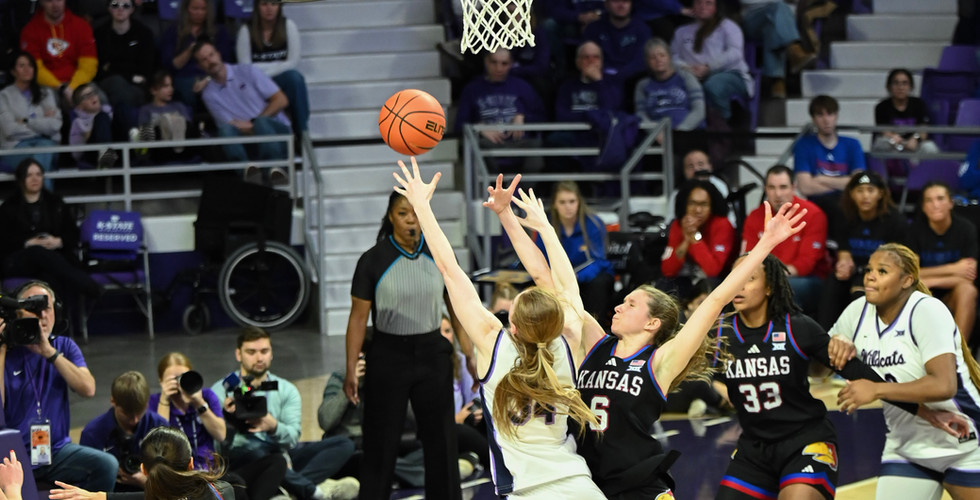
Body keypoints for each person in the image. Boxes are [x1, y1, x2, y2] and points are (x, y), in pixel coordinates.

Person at [482, 171, 807, 498]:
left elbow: (716, 300)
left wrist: (766, 244)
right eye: (622, 301)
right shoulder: (595, 344)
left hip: (640, 483)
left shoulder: (660, 362)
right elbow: (545, 279)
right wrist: (506, 215)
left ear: (652, 323)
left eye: (631, 303)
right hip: (588, 483)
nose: (619, 307)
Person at [394, 160, 604, 499]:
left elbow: (450, 271)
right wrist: (539, 226)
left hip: (525, 491)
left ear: (515, 327)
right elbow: (557, 282)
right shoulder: (569, 339)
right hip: (581, 485)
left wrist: (421, 207)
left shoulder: (494, 344)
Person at [715, 253, 963, 499]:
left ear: (769, 287)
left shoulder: (797, 327)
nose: (739, 285)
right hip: (754, 448)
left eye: (749, 278)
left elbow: (860, 373)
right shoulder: (720, 334)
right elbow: (691, 371)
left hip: (805, 442)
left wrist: (926, 413)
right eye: (735, 277)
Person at [828, 243, 980, 500]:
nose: (870, 276)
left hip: (965, 443)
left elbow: (944, 385)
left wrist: (875, 389)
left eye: (882, 271)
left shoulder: (926, 311)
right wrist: (833, 348)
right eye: (869, 269)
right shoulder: (857, 311)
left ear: (907, 280)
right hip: (906, 447)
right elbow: (818, 370)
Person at [343, 190, 465, 500]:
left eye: (416, 212)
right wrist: (351, 369)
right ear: (390, 217)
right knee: (380, 444)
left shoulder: (440, 253)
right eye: (402, 212)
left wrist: (470, 353)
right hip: (387, 355)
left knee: (442, 442)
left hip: (432, 354)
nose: (411, 218)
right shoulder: (372, 260)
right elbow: (358, 319)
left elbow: (457, 310)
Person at [211, 327, 357, 500]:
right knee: (259, 452)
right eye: (251, 352)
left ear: (271, 353)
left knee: (343, 444)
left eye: (264, 351)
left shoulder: (286, 389)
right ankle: (309, 489)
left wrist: (273, 427)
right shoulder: (220, 391)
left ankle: (286, 488)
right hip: (242, 459)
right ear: (238, 354)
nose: (259, 358)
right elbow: (216, 447)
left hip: (280, 455)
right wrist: (229, 421)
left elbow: (293, 437)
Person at [0, 280, 117, 491]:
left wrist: (50, 353)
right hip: (12, 455)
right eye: (33, 308)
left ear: (56, 312)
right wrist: (0, 349)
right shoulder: (7, 353)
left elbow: (88, 388)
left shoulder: (63, 346)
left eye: (47, 308)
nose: (42, 315)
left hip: (55, 451)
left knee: (106, 465)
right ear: (17, 313)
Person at [0, 159, 102, 304]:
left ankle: (58, 325)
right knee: (38, 252)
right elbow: (3, 240)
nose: (35, 179)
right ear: (21, 179)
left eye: (38, 174)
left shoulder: (55, 203)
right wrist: (27, 243)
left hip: (52, 259)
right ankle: (87, 284)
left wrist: (58, 241)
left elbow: (72, 234)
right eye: (29, 175)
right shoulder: (8, 207)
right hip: (18, 260)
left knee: (51, 277)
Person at [818, 171, 909, 329]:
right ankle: (823, 338)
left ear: (880, 194)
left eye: (870, 190)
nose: (865, 196)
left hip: (882, 273)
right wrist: (843, 265)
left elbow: (896, 263)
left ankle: (861, 343)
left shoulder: (895, 221)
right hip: (854, 270)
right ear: (852, 194)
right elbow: (844, 252)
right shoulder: (844, 216)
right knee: (832, 283)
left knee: (861, 291)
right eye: (860, 191)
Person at [193, 40, 291, 182]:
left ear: (218, 54)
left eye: (211, 55)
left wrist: (254, 123)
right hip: (249, 141)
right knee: (225, 131)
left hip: (277, 134)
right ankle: (247, 172)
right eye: (204, 59)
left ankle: (275, 169)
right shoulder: (208, 94)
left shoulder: (248, 71)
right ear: (200, 66)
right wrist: (253, 127)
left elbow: (281, 100)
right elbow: (230, 125)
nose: (210, 61)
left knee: (262, 122)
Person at [50, 426, 236, 500]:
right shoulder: (224, 491)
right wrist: (102, 497)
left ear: (144, 470)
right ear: (190, 464)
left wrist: (97, 496)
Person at [741, 164, 829, 314]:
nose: (778, 194)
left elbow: (805, 264)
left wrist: (771, 279)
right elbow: (746, 257)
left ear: (793, 187)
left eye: (783, 187)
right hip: (766, 278)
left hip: (808, 279)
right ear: (765, 189)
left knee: (783, 287)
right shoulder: (754, 216)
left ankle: (785, 335)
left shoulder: (812, 214)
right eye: (772, 188)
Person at [535, 180, 615, 327]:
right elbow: (541, 259)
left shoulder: (594, 223)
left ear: (579, 202)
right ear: (554, 204)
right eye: (562, 202)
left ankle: (597, 328)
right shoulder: (545, 225)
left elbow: (599, 261)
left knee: (599, 283)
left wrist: (574, 277)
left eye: (572, 201)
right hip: (558, 277)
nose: (568, 207)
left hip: (588, 277)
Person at [454, 48, 546, 172]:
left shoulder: (523, 87)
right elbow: (459, 126)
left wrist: (523, 117)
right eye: (494, 62)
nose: (499, 68)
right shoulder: (471, 89)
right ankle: (495, 187)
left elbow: (543, 117)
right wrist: (479, 128)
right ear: (486, 61)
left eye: (504, 64)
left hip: (519, 142)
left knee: (536, 148)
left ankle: (523, 190)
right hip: (486, 144)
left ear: (511, 64)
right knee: (475, 148)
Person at [907, 181, 978, 341]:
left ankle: (959, 354)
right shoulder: (913, 231)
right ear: (923, 207)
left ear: (951, 203)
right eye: (929, 200)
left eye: (940, 199)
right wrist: (954, 269)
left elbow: (969, 274)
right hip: (923, 293)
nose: (935, 205)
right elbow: (910, 273)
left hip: (952, 294)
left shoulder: (966, 229)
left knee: (968, 290)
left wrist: (930, 278)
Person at [79, 371, 169, 491]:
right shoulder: (93, 433)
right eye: (127, 414)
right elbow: (85, 486)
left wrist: (144, 481)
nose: (135, 420)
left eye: (139, 412)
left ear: (147, 403)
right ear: (113, 401)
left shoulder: (159, 426)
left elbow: (171, 481)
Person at [793, 94, 866, 231]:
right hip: (818, 203)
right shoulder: (804, 145)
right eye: (820, 115)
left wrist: (821, 179)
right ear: (814, 119)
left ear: (836, 116)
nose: (826, 120)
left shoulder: (852, 144)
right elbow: (805, 187)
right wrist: (844, 183)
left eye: (830, 114)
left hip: (848, 201)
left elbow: (858, 182)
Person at [670, 0, 752, 122]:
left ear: (716, 7)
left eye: (708, 3)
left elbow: (735, 53)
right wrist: (686, 68)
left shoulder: (728, 26)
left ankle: (725, 124)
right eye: (698, 3)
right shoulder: (681, 32)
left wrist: (709, 67)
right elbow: (673, 56)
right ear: (693, 6)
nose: (703, 7)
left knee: (713, 85)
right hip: (690, 75)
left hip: (728, 74)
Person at [235, 0, 310, 133]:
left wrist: (263, 71)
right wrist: (275, 66)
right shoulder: (246, 30)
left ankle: (301, 132)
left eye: (274, 4)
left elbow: (293, 62)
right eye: (264, 4)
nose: (269, 8)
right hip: (255, 83)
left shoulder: (288, 26)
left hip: (280, 80)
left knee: (295, 79)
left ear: (279, 6)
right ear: (257, 7)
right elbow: (245, 68)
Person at [660, 178, 735, 294]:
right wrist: (686, 240)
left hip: (719, 282)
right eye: (692, 203)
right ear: (684, 204)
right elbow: (668, 270)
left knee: (711, 283)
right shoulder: (678, 225)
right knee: (664, 285)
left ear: (711, 207)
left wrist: (695, 237)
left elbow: (713, 271)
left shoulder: (722, 224)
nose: (698, 210)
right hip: (687, 280)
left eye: (704, 204)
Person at [19, 0, 97, 105]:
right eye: (49, 1)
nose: (55, 5)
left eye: (59, 0)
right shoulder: (30, 30)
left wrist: (72, 87)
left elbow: (89, 65)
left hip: (78, 83)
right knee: (49, 106)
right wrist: (60, 88)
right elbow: (34, 68)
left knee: (100, 101)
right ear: (41, 2)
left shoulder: (81, 26)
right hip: (47, 86)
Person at [159, 0, 233, 109]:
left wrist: (208, 79)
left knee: (217, 87)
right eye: (195, 9)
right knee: (187, 88)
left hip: (213, 75)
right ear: (186, 9)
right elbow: (169, 66)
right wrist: (190, 51)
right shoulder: (173, 31)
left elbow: (225, 61)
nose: (199, 13)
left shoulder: (219, 31)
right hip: (184, 77)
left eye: (203, 9)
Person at [0, 51, 62, 177]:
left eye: (30, 65)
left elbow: (55, 125)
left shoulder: (46, 93)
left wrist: (26, 121)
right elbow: (9, 130)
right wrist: (42, 126)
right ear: (13, 71)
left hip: (46, 143)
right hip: (16, 147)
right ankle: (44, 196)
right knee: (39, 157)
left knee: (43, 149)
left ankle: (35, 196)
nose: (27, 69)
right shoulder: (4, 95)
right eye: (22, 66)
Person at [739, 0, 817, 98]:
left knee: (773, 28)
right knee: (778, 8)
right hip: (753, 19)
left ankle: (777, 80)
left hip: (784, 19)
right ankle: (794, 51)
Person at [634, 38, 705, 137]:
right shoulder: (642, 85)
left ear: (669, 57)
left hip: (689, 133)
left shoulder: (686, 77)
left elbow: (699, 110)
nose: (658, 60)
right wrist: (654, 133)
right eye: (653, 57)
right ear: (647, 62)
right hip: (657, 136)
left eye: (662, 55)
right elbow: (640, 114)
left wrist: (680, 131)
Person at [93, 0, 155, 111]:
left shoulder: (144, 33)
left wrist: (114, 68)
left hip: (138, 86)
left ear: (132, 9)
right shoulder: (99, 34)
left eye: (126, 5)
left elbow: (147, 67)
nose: (120, 9)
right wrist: (130, 76)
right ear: (109, 8)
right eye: (115, 5)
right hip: (109, 83)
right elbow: (100, 70)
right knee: (116, 82)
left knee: (128, 93)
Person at [582, 0, 652, 86]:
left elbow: (640, 61)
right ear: (606, 4)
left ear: (631, 5)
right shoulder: (593, 29)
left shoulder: (642, 29)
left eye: (625, 1)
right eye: (616, 1)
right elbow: (587, 57)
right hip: (599, 79)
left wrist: (619, 76)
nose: (621, 5)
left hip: (631, 81)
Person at [872, 68, 939, 159]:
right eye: (896, 83)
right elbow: (883, 131)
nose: (900, 87)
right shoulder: (881, 107)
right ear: (889, 86)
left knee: (930, 147)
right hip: (893, 143)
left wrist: (916, 138)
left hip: (914, 143)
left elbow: (924, 129)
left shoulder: (919, 104)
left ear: (910, 87)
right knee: (881, 144)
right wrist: (894, 137)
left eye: (905, 83)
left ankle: (926, 172)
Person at [665, 149, 731, 225]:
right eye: (690, 166)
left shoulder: (721, 187)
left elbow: (729, 219)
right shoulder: (677, 194)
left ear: (710, 166)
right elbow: (670, 222)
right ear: (684, 171)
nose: (696, 169)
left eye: (700, 164)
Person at [138, 71, 193, 160]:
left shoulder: (179, 106)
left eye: (171, 85)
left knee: (183, 123)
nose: (171, 89)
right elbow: (145, 135)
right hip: (159, 148)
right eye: (166, 86)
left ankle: (173, 135)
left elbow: (189, 128)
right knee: (156, 128)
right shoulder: (146, 110)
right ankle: (165, 127)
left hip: (182, 148)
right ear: (153, 90)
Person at [68, 82, 117, 168]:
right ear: (80, 106)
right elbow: (76, 155)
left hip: (117, 151)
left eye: (93, 93)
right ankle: (105, 159)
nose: (92, 97)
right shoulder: (78, 122)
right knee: (102, 117)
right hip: (94, 156)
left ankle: (139, 148)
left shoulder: (111, 113)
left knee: (122, 108)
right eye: (86, 96)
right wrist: (85, 137)